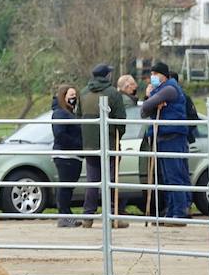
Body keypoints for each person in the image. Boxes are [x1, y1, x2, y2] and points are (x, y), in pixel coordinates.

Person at [76, 63, 129, 227]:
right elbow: (121, 121)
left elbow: (79, 117)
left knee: (92, 181)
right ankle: (113, 217)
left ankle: (88, 216)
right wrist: (118, 134)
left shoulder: (84, 92)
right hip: (110, 144)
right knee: (112, 180)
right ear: (107, 76)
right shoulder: (113, 93)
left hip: (90, 145)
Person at [139, 61, 192, 223]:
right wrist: (152, 101)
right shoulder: (161, 90)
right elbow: (143, 111)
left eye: (155, 74)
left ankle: (179, 212)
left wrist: (151, 97)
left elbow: (147, 105)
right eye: (151, 74)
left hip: (172, 137)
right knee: (168, 178)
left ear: (164, 75)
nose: (152, 77)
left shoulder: (169, 89)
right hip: (163, 137)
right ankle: (171, 211)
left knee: (175, 176)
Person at [50, 84, 83, 227]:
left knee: (68, 187)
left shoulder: (69, 112)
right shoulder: (60, 113)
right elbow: (60, 134)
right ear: (63, 97)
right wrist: (77, 144)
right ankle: (64, 215)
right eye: (70, 96)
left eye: (75, 96)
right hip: (65, 155)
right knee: (65, 186)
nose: (73, 98)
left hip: (73, 155)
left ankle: (66, 214)